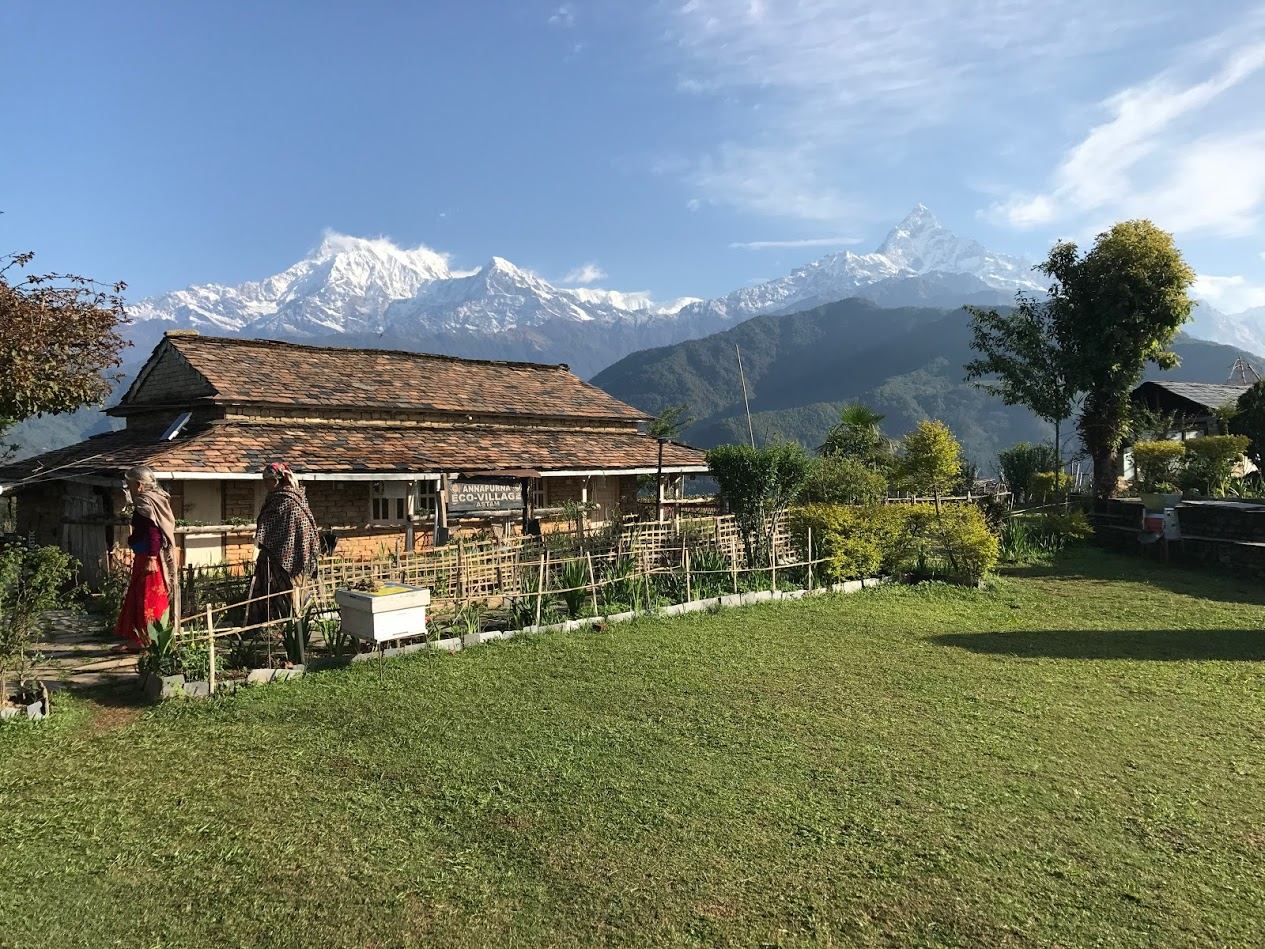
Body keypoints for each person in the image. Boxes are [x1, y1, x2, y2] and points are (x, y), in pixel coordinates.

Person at [113, 466, 179, 653]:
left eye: (130, 484)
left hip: (150, 558)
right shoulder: (158, 498)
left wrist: (151, 557)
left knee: (147, 598)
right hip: (150, 556)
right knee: (146, 596)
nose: (128, 487)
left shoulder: (145, 501)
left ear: (139, 485)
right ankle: (144, 639)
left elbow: (153, 532)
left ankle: (146, 640)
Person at [246, 462, 321, 626]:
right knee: (269, 591)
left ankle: (293, 623)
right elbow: (268, 525)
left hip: (291, 558)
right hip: (271, 557)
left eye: (267, 480)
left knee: (289, 592)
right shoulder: (274, 499)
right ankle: (270, 622)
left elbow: (300, 528)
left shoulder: (289, 501)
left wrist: (285, 547)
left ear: (277, 480)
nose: (265, 484)